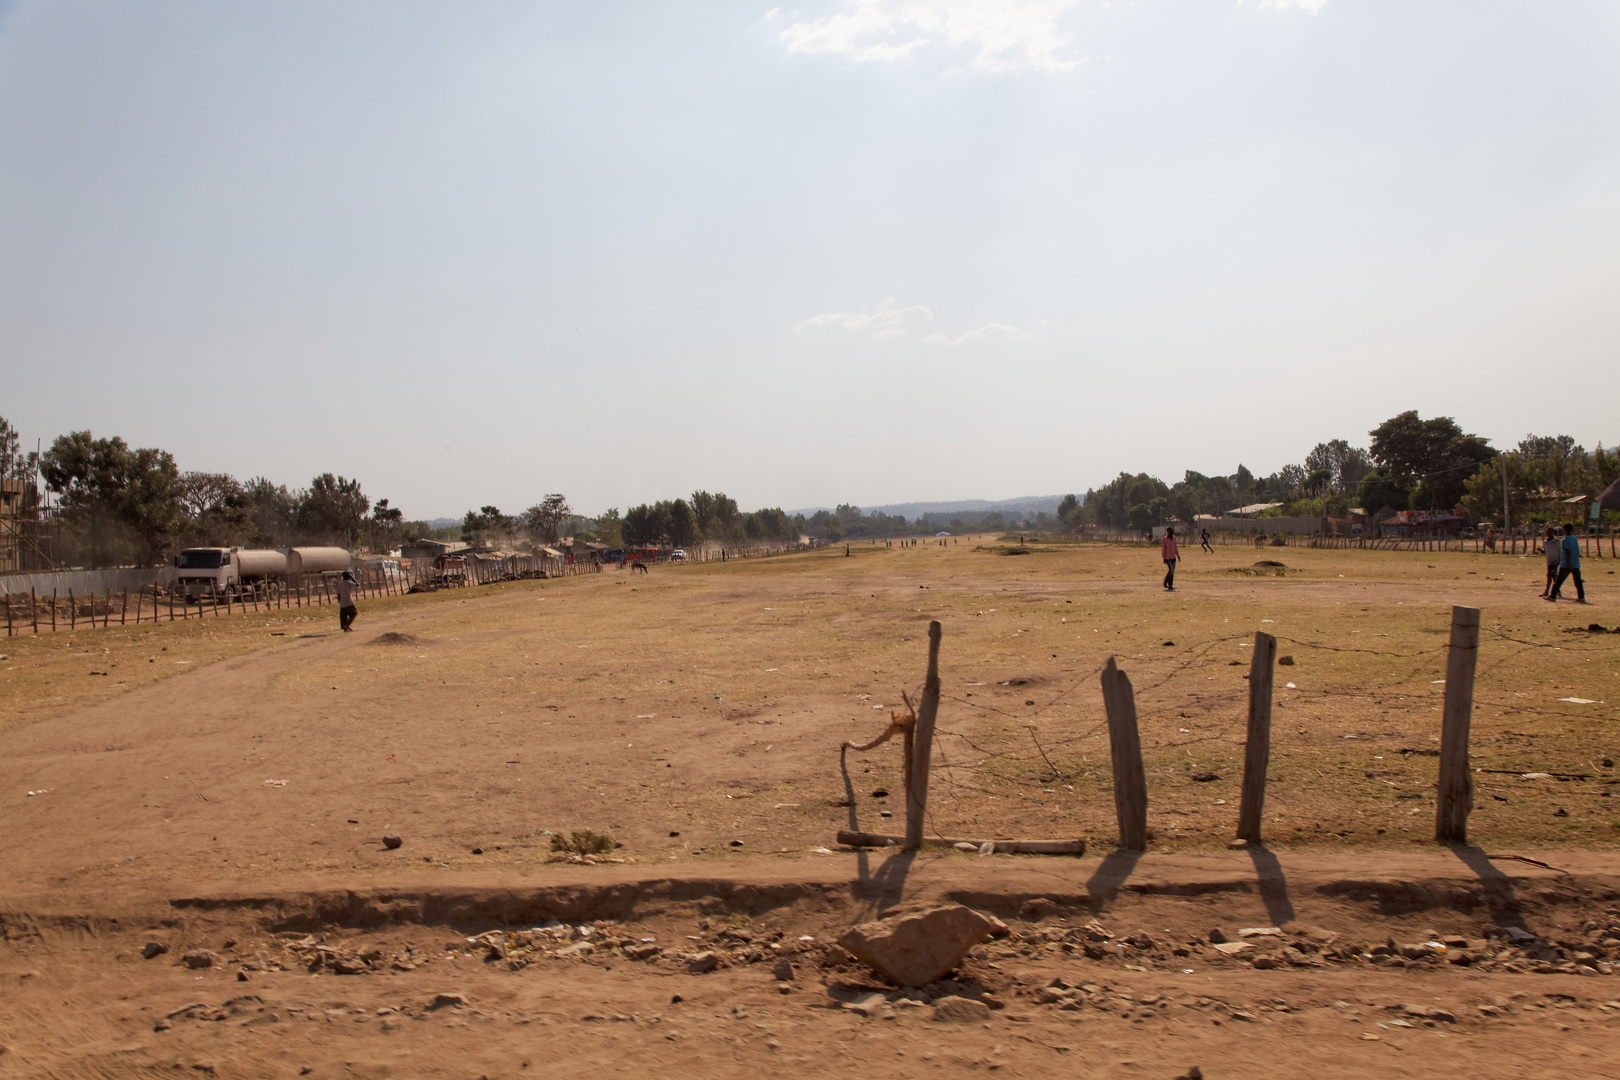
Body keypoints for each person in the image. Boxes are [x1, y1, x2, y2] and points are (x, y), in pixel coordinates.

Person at [1547, 523, 1587, 603]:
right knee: (1578, 581)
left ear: (1565, 530)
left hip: (1566, 564)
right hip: (1575, 563)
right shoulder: (1574, 538)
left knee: (1558, 581)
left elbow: (1567, 552)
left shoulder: (1565, 540)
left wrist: (1568, 564)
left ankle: (1552, 596)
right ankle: (1581, 597)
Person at [1541, 526, 1559, 598]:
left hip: (1555, 561)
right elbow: (1546, 551)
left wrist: (1559, 561)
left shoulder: (1557, 542)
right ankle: (1557, 591)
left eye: (1549, 532)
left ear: (1553, 533)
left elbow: (1559, 551)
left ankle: (1547, 591)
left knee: (1549, 576)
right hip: (1549, 561)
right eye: (1547, 532)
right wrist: (1541, 551)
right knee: (1554, 576)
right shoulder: (1545, 542)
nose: (1547, 533)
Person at [1161, 527, 1179, 591]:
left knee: (1172, 572)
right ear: (1168, 532)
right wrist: (1164, 558)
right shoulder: (1165, 539)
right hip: (1168, 557)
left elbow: (1175, 548)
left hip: (1173, 557)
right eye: (1170, 531)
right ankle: (1165, 581)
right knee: (1171, 570)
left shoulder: (1174, 538)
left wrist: (1178, 555)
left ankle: (1170, 585)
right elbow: (1164, 549)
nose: (1171, 532)